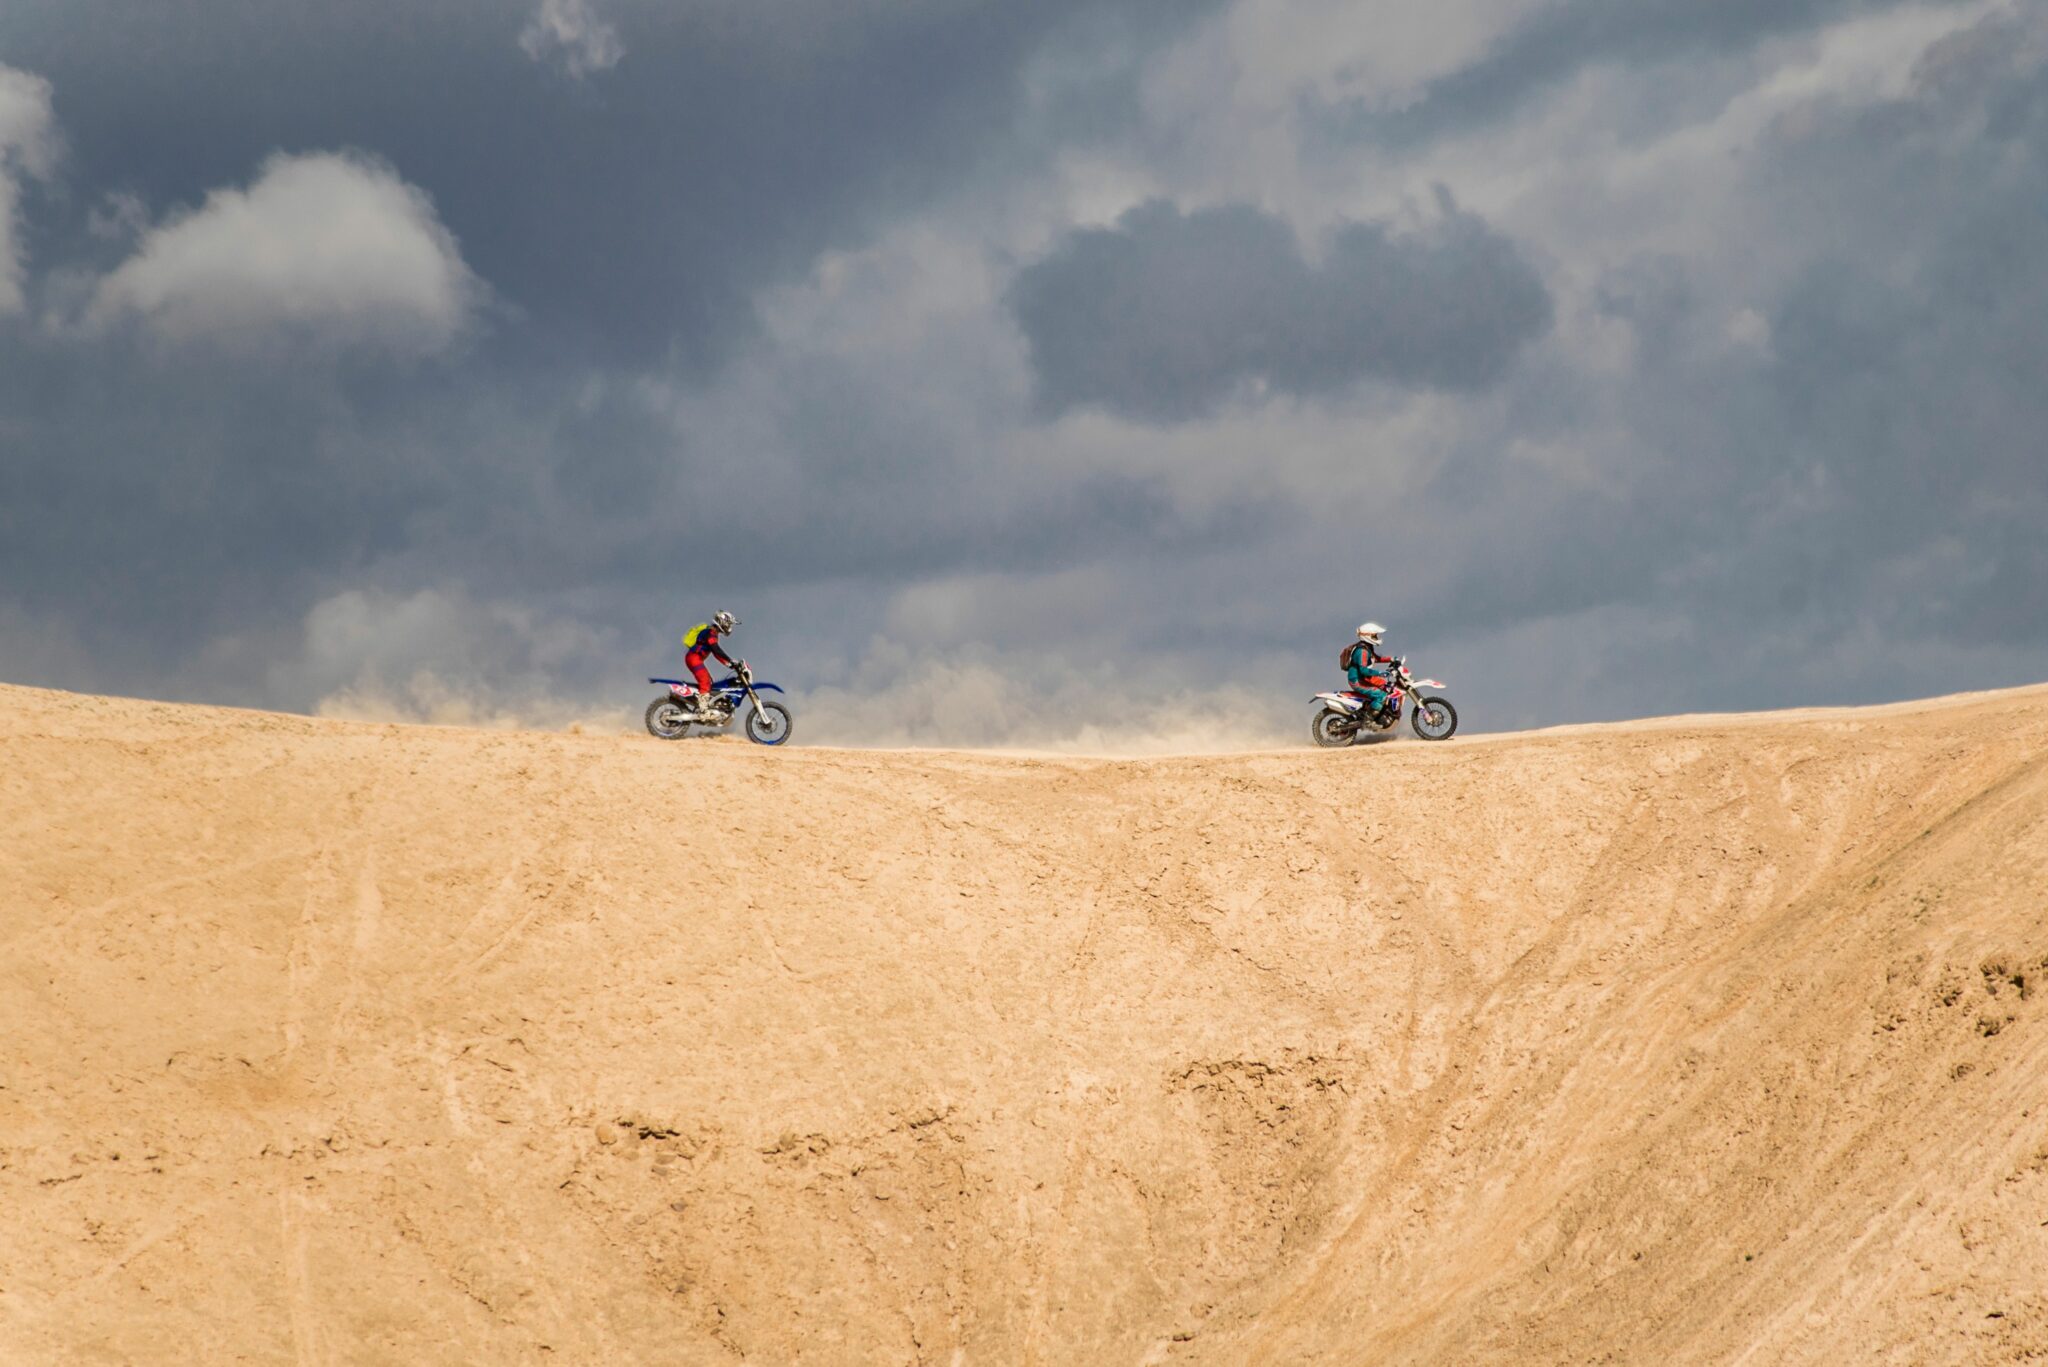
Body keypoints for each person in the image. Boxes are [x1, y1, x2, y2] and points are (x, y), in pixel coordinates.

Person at [676, 611, 740, 714]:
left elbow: (716, 653)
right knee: (705, 681)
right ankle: (703, 709)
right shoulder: (711, 634)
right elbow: (716, 649)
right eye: (728, 624)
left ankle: (704, 703)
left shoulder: (712, 633)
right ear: (722, 622)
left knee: (709, 682)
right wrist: (730, 660)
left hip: (694, 659)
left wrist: (729, 664)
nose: (729, 627)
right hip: (694, 659)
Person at [1342, 622, 1396, 713]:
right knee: (1381, 696)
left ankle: (1381, 711)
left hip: (1364, 678)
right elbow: (1364, 670)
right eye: (1374, 636)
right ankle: (1369, 718)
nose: (1377, 637)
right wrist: (1380, 673)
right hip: (1357, 680)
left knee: (1387, 687)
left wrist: (1391, 659)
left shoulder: (1367, 647)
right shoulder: (1362, 651)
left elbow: (1375, 658)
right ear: (1367, 636)